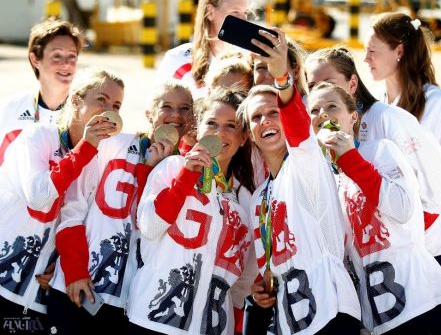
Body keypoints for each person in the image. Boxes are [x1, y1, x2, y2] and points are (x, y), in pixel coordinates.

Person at [46, 79, 194, 335]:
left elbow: (153, 232)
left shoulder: (187, 171)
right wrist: (74, 270)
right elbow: (73, 208)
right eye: (166, 106)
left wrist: (150, 170)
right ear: (149, 113)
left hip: (126, 305)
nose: (175, 115)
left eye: (185, 108)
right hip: (76, 286)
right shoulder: (112, 144)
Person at [238, 29, 360, 335]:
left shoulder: (308, 163)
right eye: (256, 117)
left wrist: (282, 79)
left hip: (330, 313)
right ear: (249, 134)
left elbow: (299, 133)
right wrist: (263, 291)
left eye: (273, 112)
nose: (266, 120)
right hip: (291, 319)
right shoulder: (258, 199)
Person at [309, 82, 441, 334]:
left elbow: (403, 208)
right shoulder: (325, 180)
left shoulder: (381, 150)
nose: (323, 114)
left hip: (422, 303)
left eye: (332, 106)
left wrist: (350, 159)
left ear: (353, 117)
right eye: (315, 110)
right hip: (377, 319)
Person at [305, 46, 441, 276]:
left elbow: (438, 182)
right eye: (312, 86)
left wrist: (407, 234)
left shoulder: (386, 118)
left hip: (428, 255)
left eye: (330, 82)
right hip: (377, 268)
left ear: (352, 84)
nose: (321, 90)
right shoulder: (322, 137)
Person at [126, 86, 257, 335]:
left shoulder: (248, 199)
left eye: (231, 125)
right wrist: (186, 176)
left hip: (213, 327)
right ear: (198, 130)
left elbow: (244, 280)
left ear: (244, 137)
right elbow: (150, 226)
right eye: (211, 123)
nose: (219, 133)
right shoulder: (172, 167)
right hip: (152, 319)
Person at [0, 68, 119, 335]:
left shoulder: (94, 161)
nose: (109, 110)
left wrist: (66, 266)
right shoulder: (37, 136)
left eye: (117, 105)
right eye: (101, 100)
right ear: (76, 100)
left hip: (36, 300)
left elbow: (73, 221)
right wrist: (85, 147)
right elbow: (39, 196)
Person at [364, 11, 441, 161]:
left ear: (399, 51)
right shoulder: (373, 103)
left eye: (372, 50)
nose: (365, 59)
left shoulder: (439, 104)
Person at [0, 18, 84, 166]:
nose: (66, 63)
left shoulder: (85, 113)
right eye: (57, 55)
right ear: (35, 59)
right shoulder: (10, 109)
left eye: (72, 56)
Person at [156, 0, 252, 99]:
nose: (244, 20)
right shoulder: (176, 59)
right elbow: (157, 108)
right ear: (210, 12)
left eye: (245, 12)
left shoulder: (250, 58)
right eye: (235, 12)